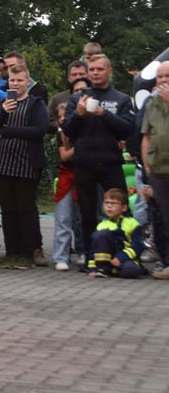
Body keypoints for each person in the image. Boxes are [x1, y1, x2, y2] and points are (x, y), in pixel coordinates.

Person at [61, 54, 135, 262]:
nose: (95, 73)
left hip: (110, 162)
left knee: (121, 208)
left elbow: (127, 130)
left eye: (99, 69)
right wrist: (79, 114)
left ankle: (124, 253)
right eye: (91, 69)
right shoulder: (77, 98)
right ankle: (90, 255)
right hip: (84, 162)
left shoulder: (120, 99)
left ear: (109, 72)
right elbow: (67, 130)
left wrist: (103, 114)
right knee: (87, 211)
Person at [0, 64, 48, 269]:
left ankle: (27, 252)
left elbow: (40, 130)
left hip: (27, 165)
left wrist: (9, 131)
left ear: (27, 82)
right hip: (3, 165)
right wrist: (2, 114)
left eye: (20, 80)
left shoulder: (36, 104)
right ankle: (12, 251)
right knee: (8, 211)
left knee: (25, 209)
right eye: (12, 80)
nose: (16, 84)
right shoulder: (0, 104)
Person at [140, 60, 169, 279]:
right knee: (163, 219)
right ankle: (166, 262)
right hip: (158, 171)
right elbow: (146, 137)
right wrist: (147, 167)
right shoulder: (151, 103)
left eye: (167, 77)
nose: (163, 81)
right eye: (160, 77)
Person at [86, 188, 144, 278]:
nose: (109, 206)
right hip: (106, 260)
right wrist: (92, 268)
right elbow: (94, 249)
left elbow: (138, 246)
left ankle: (111, 270)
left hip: (123, 258)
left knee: (131, 270)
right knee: (102, 234)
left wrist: (120, 258)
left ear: (124, 208)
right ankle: (103, 269)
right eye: (106, 203)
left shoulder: (133, 223)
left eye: (113, 203)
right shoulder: (101, 225)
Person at [52, 103, 76, 272]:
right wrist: (81, 144)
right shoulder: (61, 135)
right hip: (66, 176)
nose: (62, 119)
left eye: (66, 116)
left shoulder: (82, 131)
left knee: (83, 217)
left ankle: (84, 251)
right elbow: (64, 156)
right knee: (63, 217)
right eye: (59, 117)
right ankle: (61, 256)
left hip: (84, 175)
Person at [48, 60, 88, 131]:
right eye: (74, 75)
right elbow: (47, 121)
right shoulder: (58, 98)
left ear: (88, 75)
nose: (78, 77)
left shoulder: (95, 96)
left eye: (81, 74)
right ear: (69, 78)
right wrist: (61, 125)